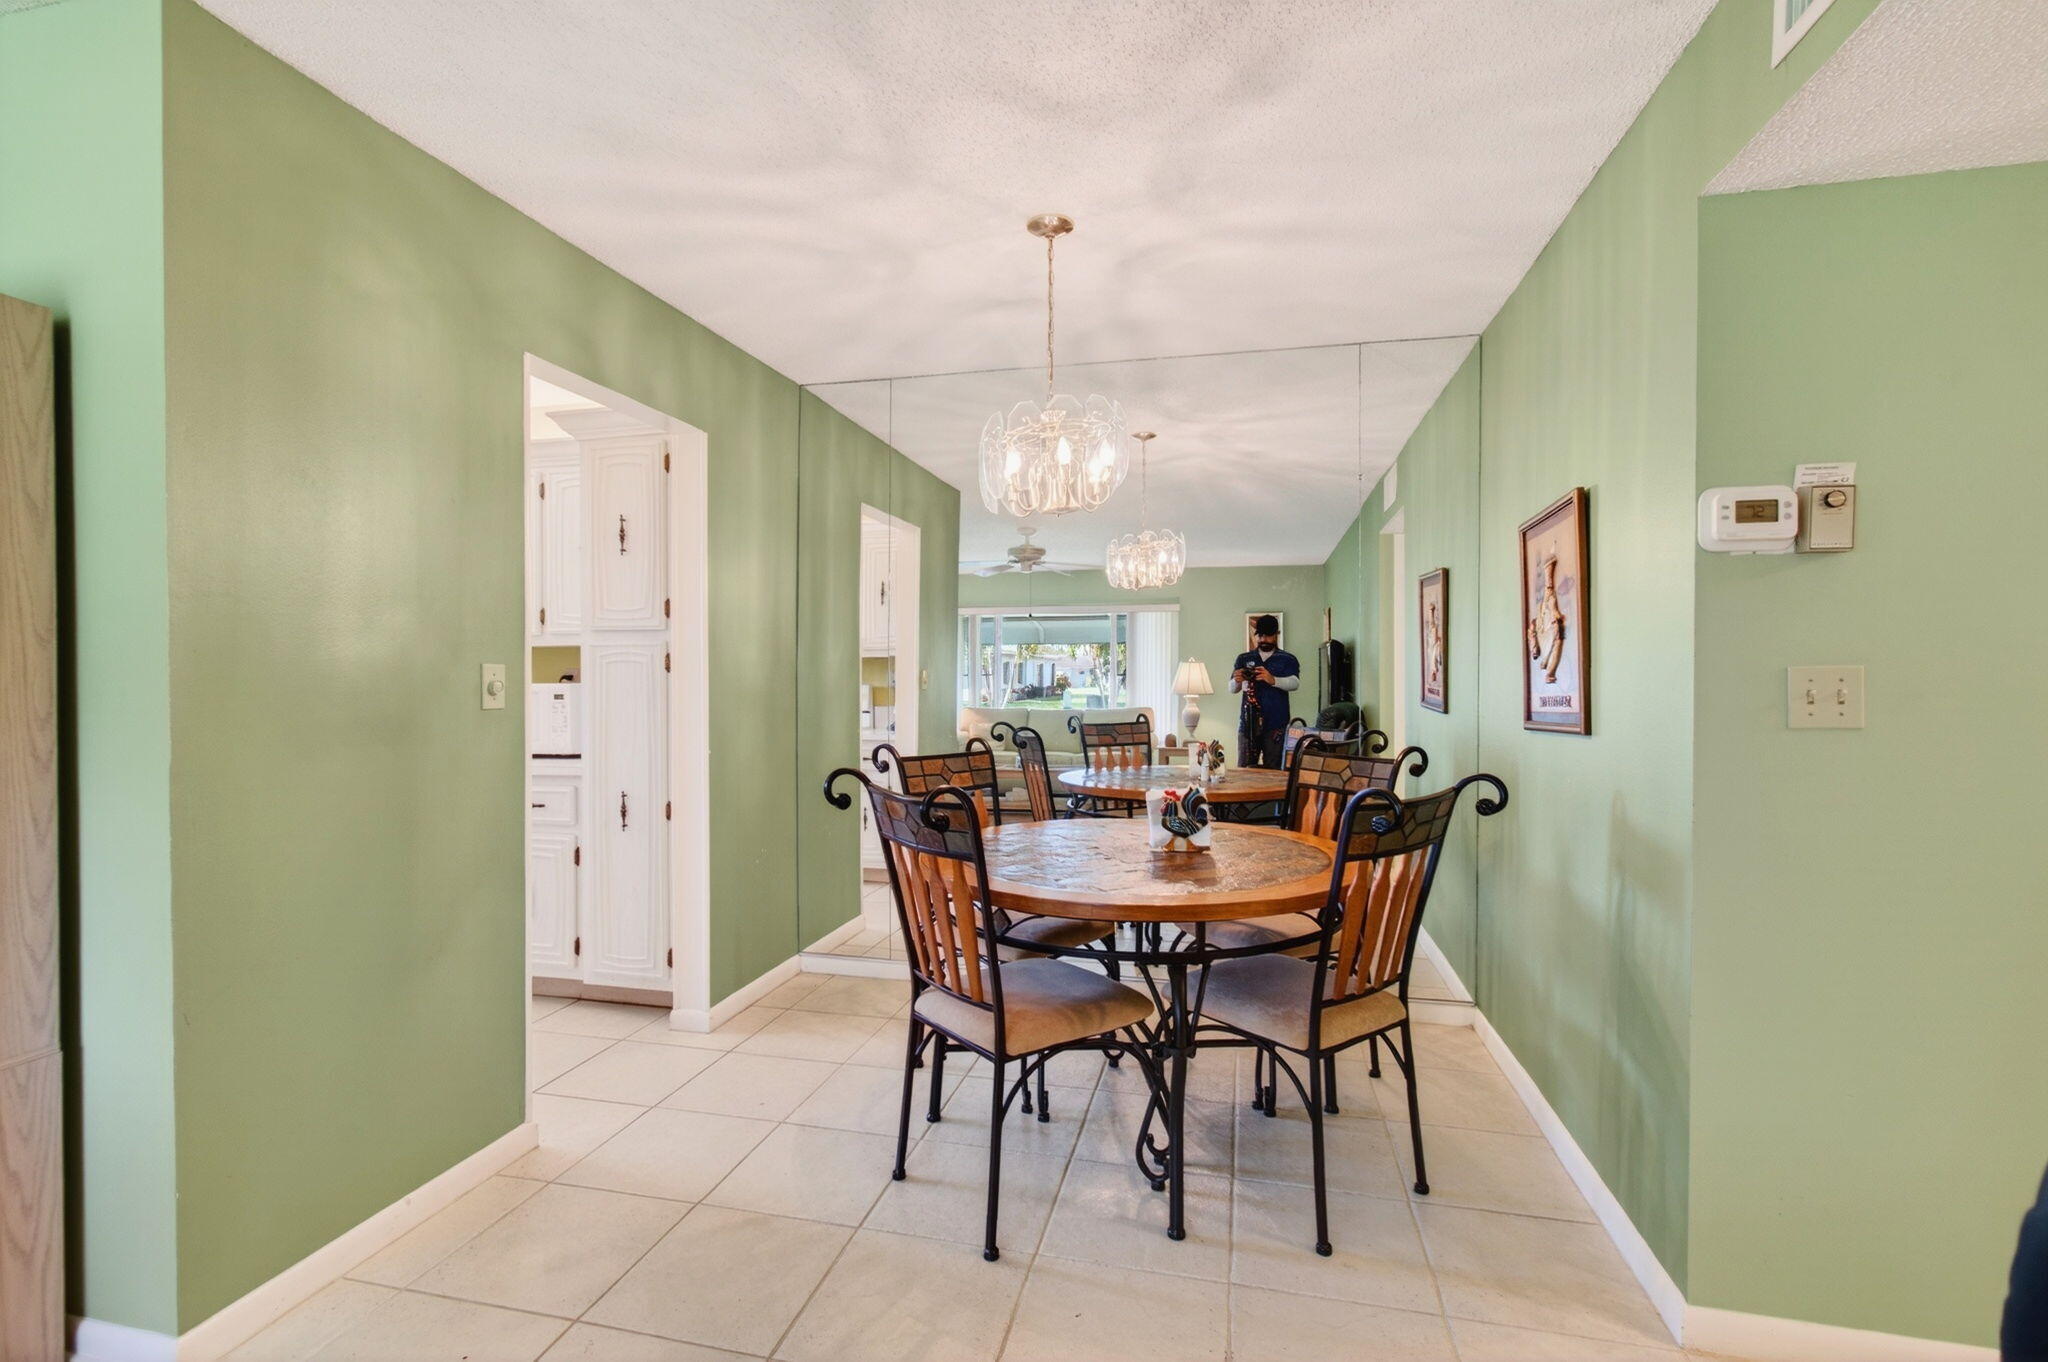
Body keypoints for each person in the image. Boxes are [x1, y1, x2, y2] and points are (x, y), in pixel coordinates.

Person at [1230, 615, 1300, 769]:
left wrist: (1273, 679)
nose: (1263, 640)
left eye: (1268, 635)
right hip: (1248, 724)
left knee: (1274, 771)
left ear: (1276, 635)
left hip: (1276, 725)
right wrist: (1237, 679)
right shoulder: (1244, 658)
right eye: (1260, 636)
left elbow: (1295, 683)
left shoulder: (1287, 659)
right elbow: (1232, 689)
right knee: (1244, 770)